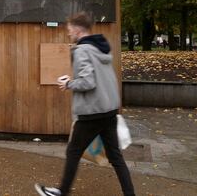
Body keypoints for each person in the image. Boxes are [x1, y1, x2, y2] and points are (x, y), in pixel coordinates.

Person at [35, 12, 135, 196]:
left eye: (69, 29)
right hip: (109, 111)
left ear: (77, 29)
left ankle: (61, 192)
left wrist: (68, 84)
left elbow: (88, 82)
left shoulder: (82, 50)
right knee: (116, 157)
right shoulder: (101, 49)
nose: (68, 33)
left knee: (73, 152)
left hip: (92, 113)